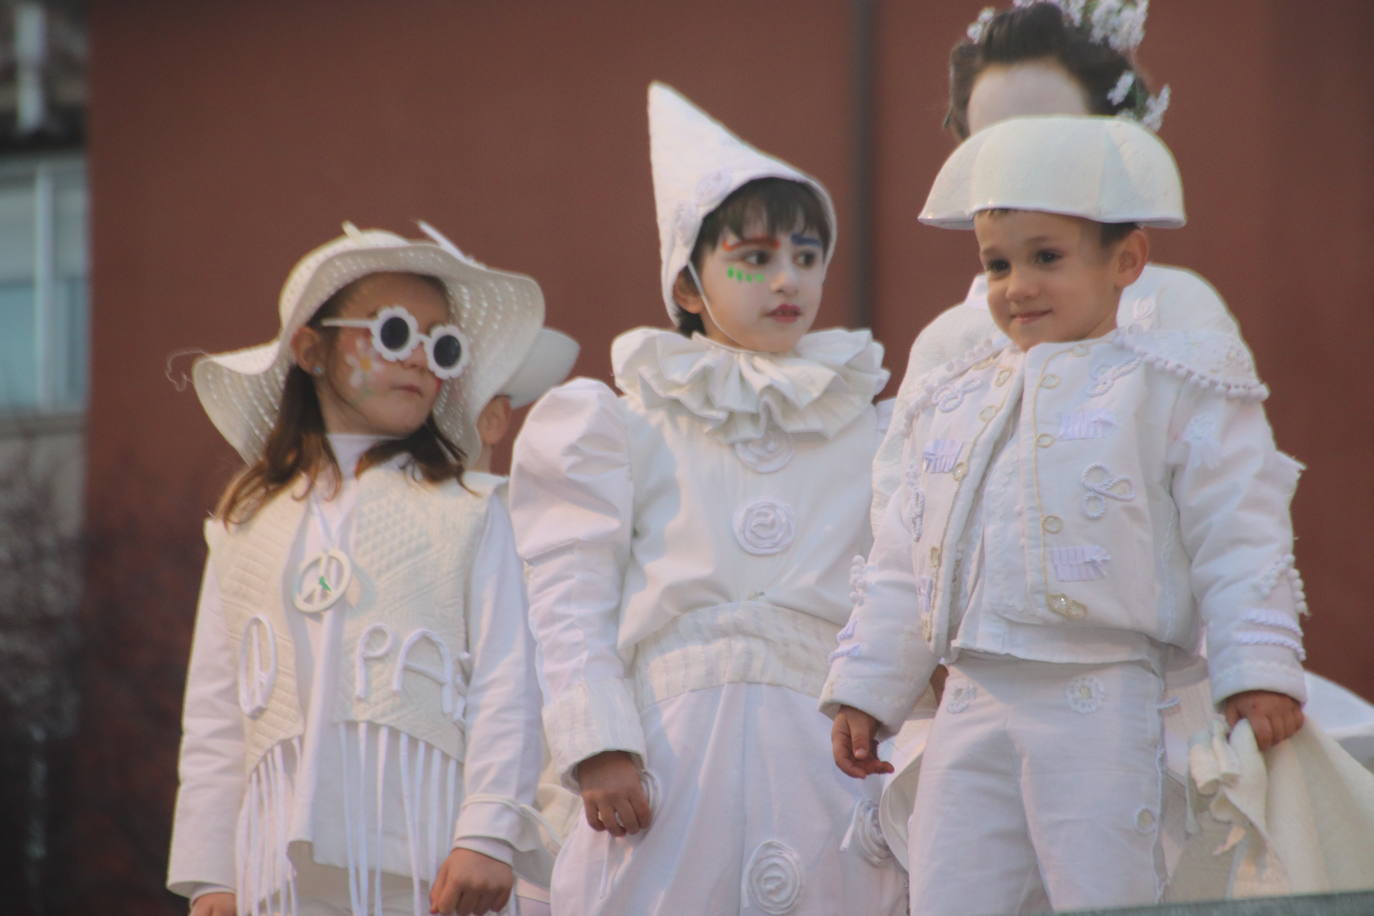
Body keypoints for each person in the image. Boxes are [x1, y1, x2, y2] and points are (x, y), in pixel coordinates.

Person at [822, 115, 1308, 914]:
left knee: (1102, 894)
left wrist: (1256, 671)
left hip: (1100, 696)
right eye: (998, 264)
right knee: (950, 892)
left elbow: (1239, 532)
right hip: (970, 698)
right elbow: (904, 556)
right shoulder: (955, 397)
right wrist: (868, 688)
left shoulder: (1171, 386)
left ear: (1127, 261)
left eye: (1047, 258)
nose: (1018, 286)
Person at [508, 82, 907, 915]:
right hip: (671, 754)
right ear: (688, 287)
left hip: (831, 759)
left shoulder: (874, 424)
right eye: (753, 258)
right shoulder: (622, 423)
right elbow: (570, 596)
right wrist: (599, 745)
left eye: (806, 256)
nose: (786, 278)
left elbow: (907, 583)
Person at [167, 223, 550, 916]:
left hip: (429, 857)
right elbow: (218, 715)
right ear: (310, 348)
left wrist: (490, 832)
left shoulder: (471, 508)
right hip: (278, 866)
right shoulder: (243, 526)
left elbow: (508, 679)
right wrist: (212, 875)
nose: (422, 362)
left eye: (444, 346)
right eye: (395, 333)